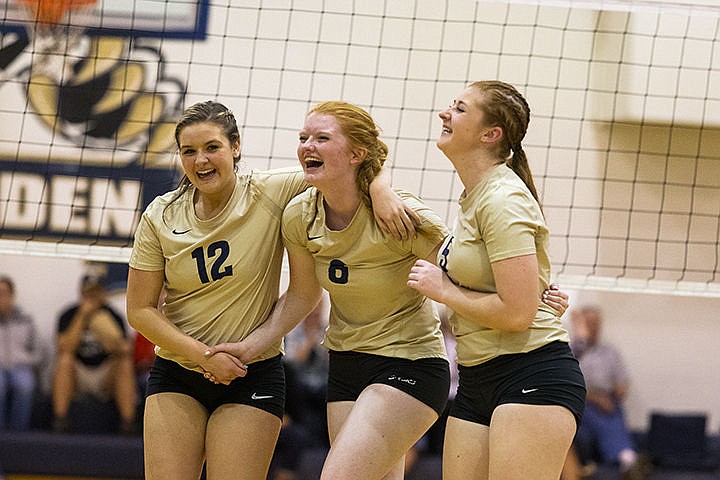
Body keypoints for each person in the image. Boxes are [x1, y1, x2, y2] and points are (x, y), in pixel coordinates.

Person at [206, 101, 571, 480]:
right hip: (346, 363)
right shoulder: (300, 215)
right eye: (303, 138)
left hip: (408, 363)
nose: (307, 146)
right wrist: (246, 350)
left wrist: (537, 300)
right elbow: (301, 295)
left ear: (357, 154)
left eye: (321, 138)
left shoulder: (399, 214)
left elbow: (466, 271)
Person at [125, 100, 412, 480]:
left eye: (212, 147)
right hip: (179, 371)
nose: (201, 161)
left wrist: (381, 190)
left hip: (252, 374)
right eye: (188, 151)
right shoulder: (161, 215)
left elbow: (350, 164)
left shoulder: (269, 191)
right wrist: (205, 355)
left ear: (236, 146)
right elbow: (140, 310)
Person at [406, 80, 586, 480]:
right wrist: (382, 189)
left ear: (491, 134)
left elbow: (519, 314)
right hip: (476, 378)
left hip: (531, 373)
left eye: (460, 108)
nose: (445, 113)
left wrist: (444, 291)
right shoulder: (475, 196)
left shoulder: (502, 198)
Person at [568, 305, 650, 480]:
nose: (593, 327)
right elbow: (566, 384)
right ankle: (627, 458)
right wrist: (595, 397)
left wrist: (614, 394)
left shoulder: (610, 352)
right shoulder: (571, 351)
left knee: (613, 412)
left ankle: (626, 460)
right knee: (598, 413)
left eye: (596, 323)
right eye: (589, 323)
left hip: (608, 400)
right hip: (581, 401)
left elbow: (622, 383)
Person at [52, 272, 138, 435]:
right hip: (78, 374)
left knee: (124, 363)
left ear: (103, 293)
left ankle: (128, 423)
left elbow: (126, 349)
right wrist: (82, 317)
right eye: (88, 292)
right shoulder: (68, 314)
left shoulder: (112, 315)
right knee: (64, 360)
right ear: (81, 293)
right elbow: (64, 348)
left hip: (105, 373)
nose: (92, 296)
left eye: (96, 292)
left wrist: (105, 330)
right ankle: (60, 419)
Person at [0, 275, 41, 431]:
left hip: (20, 367)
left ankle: (18, 434)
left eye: (4, 293)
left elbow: (39, 350)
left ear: (12, 296)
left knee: (25, 383)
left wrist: (25, 360)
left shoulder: (25, 320)